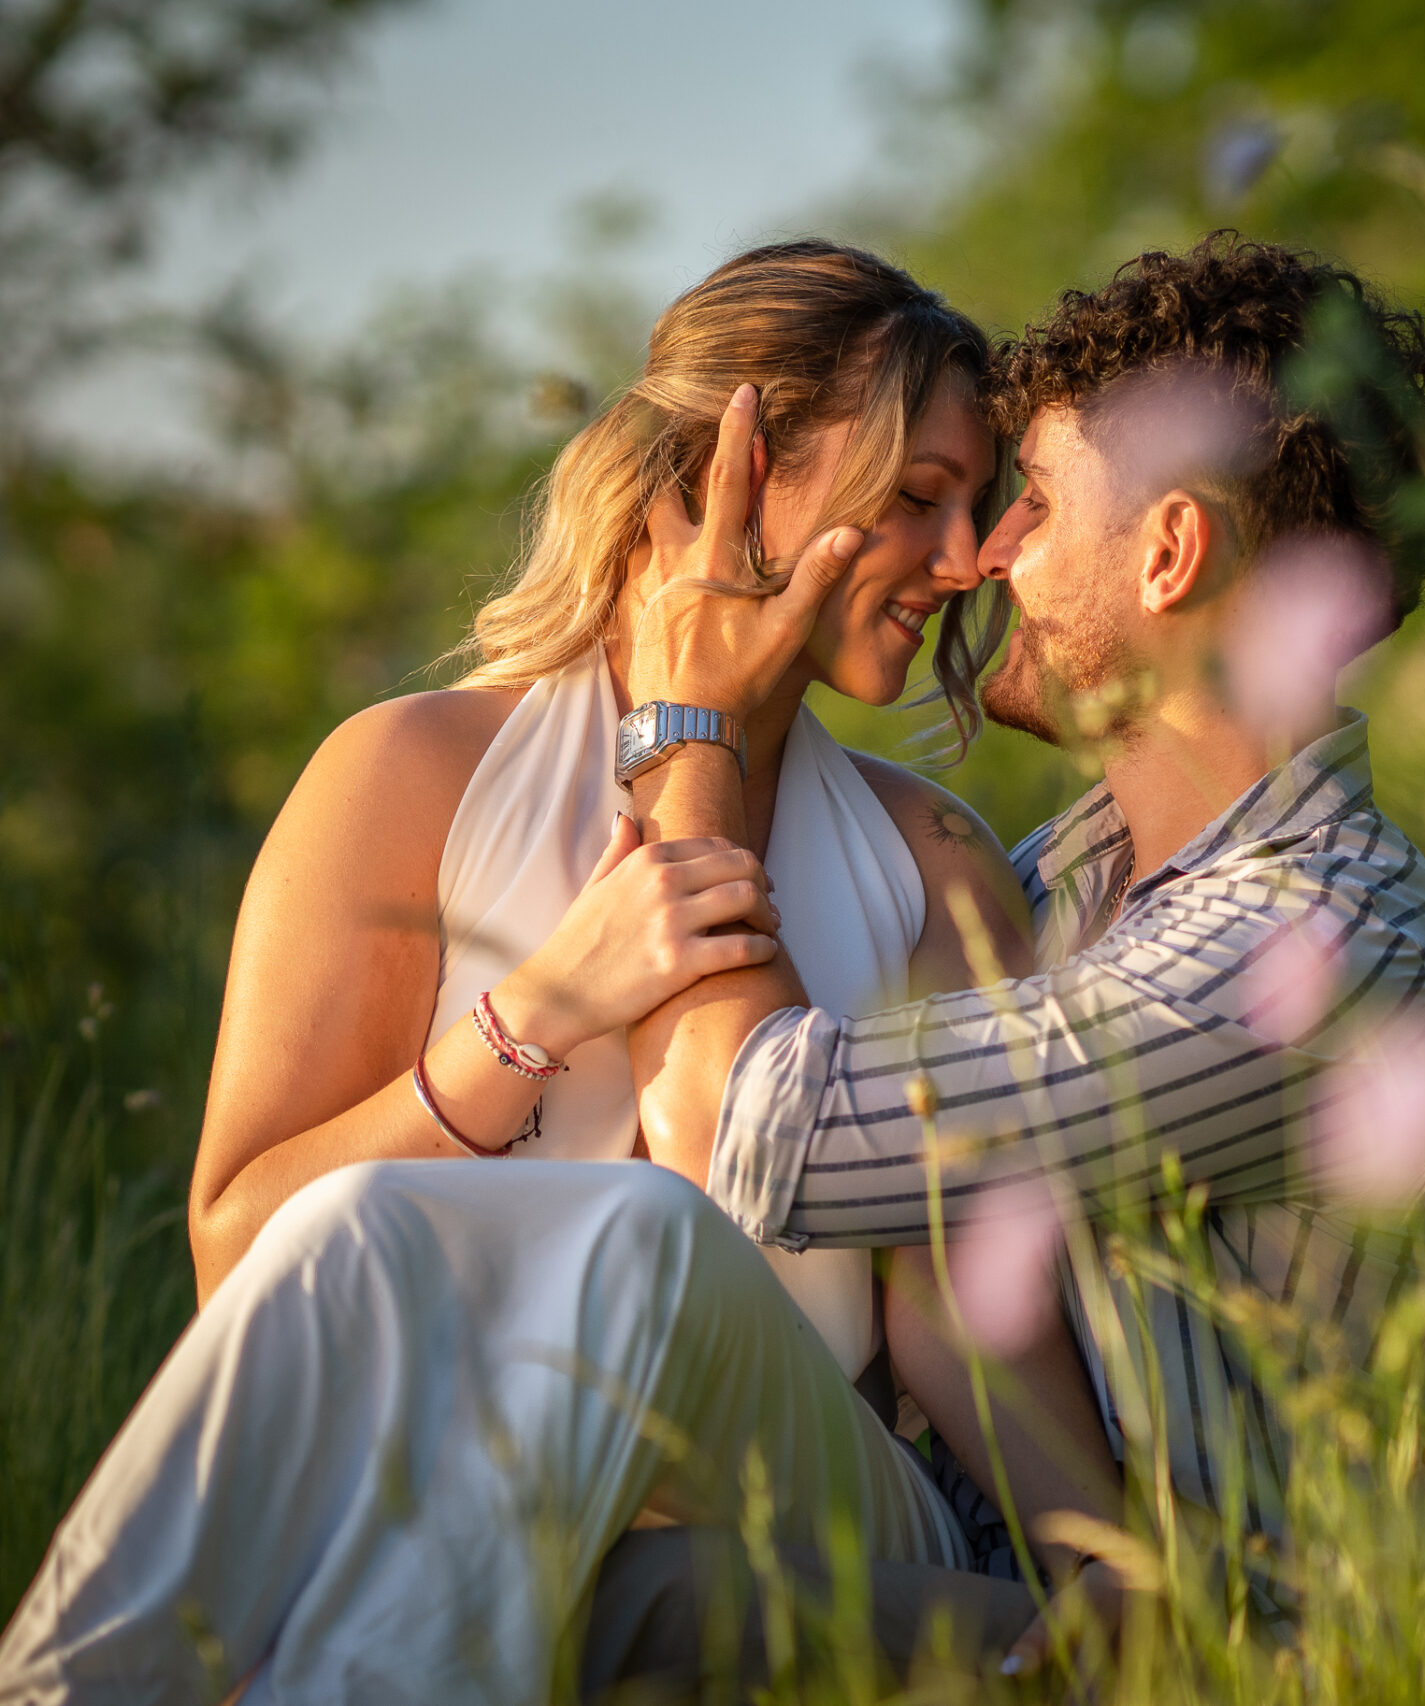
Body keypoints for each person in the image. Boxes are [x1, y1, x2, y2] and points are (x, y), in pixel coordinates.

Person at [0, 241, 1060, 1703]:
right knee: (369, 1228)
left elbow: (960, 1308)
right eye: (914, 498)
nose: (962, 563)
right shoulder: (405, 775)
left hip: (809, 1478)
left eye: (976, 507)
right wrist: (538, 1015)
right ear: (730, 473)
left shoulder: (931, 857)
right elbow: (246, 1263)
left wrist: (1120, 1566)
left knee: (633, 1231)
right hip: (450, 1488)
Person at [618, 233, 1425, 1660]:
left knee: (616, 1630)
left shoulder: (1308, 948)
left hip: (1250, 1661)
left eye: (1031, 501)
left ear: (1169, 550)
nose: (984, 557)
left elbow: (760, 1123)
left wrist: (688, 732)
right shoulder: (1048, 886)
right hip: (1042, 1593)